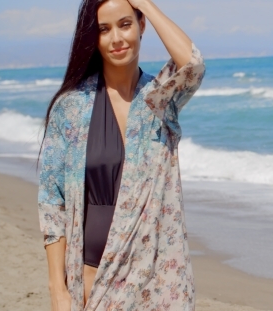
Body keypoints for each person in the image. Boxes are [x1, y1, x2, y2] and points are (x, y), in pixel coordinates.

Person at [37, 0, 205, 310]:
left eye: (125, 24)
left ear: (141, 26)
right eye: (104, 29)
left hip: (156, 283)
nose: (116, 38)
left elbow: (192, 64)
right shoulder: (71, 108)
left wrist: (145, 4)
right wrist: (57, 289)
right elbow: (52, 200)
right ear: (94, 38)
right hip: (91, 278)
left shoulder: (158, 100)